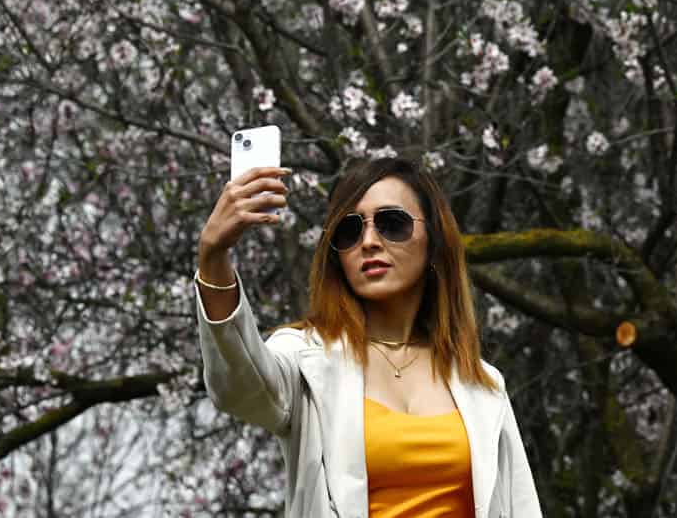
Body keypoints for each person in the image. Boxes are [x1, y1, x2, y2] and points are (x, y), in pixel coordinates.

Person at [194, 154, 542, 518]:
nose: (370, 241)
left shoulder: (482, 383)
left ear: (434, 240)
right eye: (349, 230)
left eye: (392, 223)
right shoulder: (305, 358)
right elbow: (239, 387)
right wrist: (214, 256)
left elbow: (521, 507)